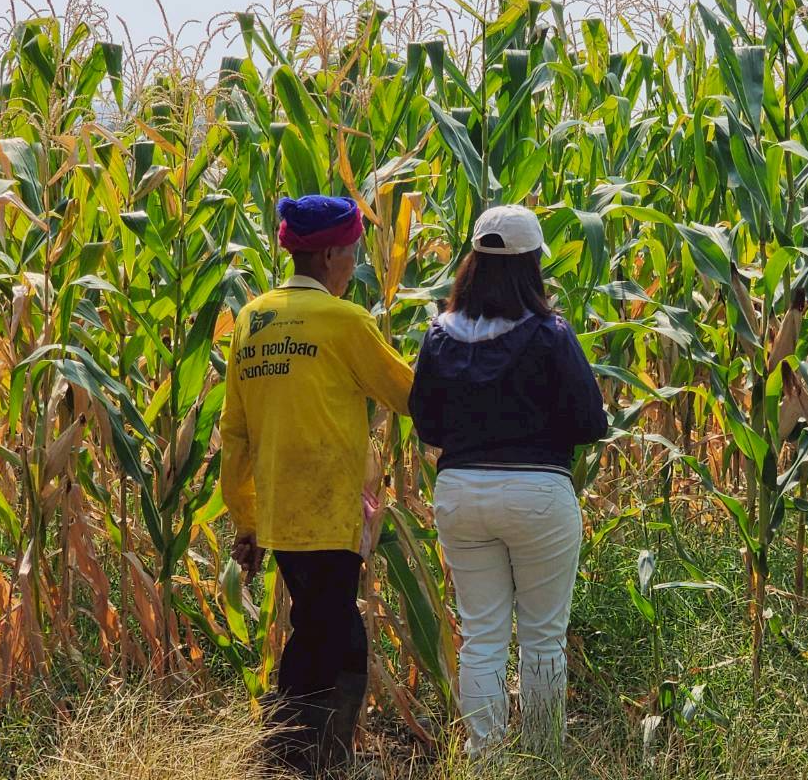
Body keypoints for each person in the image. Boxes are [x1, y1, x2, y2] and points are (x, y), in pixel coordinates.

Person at [221, 194, 413, 777]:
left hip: (281, 512)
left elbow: (235, 435)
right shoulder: (344, 320)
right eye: (352, 253)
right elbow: (409, 395)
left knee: (329, 624)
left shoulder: (251, 319)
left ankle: (322, 755)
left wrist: (248, 520)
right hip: (328, 509)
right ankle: (292, 756)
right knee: (325, 634)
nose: (354, 265)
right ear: (330, 253)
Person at [408, 205, 608, 757]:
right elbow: (592, 421)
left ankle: (487, 757)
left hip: (461, 494)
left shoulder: (439, 335)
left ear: (472, 263)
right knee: (542, 639)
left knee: (482, 637)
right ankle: (542, 758)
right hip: (538, 493)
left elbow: (424, 421)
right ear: (532, 265)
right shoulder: (549, 332)